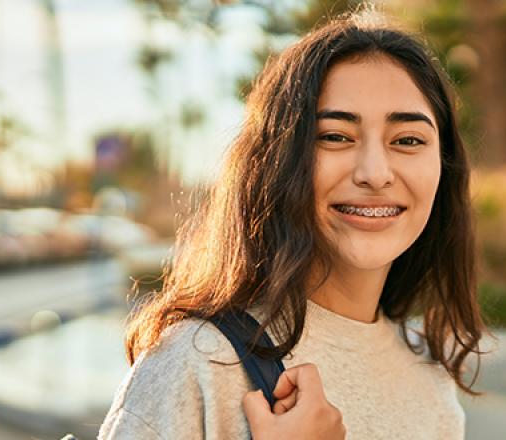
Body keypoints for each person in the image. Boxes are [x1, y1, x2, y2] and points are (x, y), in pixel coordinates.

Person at [99, 9, 486, 440]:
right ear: (278, 163)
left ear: (443, 168)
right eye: (335, 137)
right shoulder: (200, 362)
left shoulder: (430, 380)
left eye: (408, 141)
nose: (375, 174)